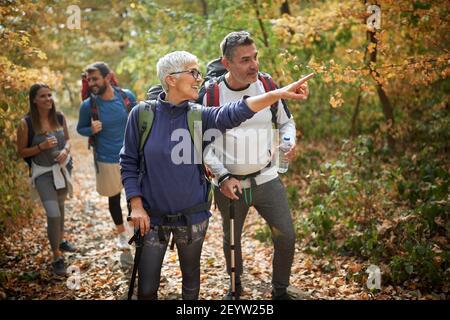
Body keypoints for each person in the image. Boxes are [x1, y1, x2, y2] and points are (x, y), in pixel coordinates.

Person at [120, 50, 308, 300]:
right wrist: (136, 204)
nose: (200, 78)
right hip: (151, 217)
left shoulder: (198, 114)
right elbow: (128, 161)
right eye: (193, 72)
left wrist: (277, 94)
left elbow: (236, 111)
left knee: (191, 286)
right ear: (171, 79)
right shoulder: (142, 115)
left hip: (193, 215)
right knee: (146, 289)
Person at [200, 31, 307, 300]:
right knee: (232, 241)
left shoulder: (267, 84)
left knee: (286, 236)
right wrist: (223, 177)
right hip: (229, 185)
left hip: (266, 178)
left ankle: (280, 290)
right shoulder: (211, 94)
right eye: (245, 60)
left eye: (255, 57)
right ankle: (235, 289)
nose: (254, 65)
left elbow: (286, 122)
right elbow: (201, 144)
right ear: (227, 64)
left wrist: (287, 140)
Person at [17, 83, 76, 276]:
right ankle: (57, 257)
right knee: (53, 213)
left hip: (62, 169)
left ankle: (60, 240)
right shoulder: (26, 123)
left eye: (50, 95)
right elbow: (21, 152)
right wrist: (41, 147)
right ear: (34, 100)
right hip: (42, 173)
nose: (48, 99)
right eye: (43, 96)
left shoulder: (59, 117)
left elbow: (67, 140)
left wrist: (66, 151)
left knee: (60, 207)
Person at [77, 62, 137, 249]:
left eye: (95, 78)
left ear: (108, 77)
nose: (91, 83)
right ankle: (121, 234)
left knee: (134, 197)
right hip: (106, 158)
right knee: (114, 197)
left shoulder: (126, 97)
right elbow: (80, 128)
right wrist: (91, 129)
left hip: (132, 157)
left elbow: (139, 119)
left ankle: (134, 231)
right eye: (89, 80)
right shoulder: (88, 106)